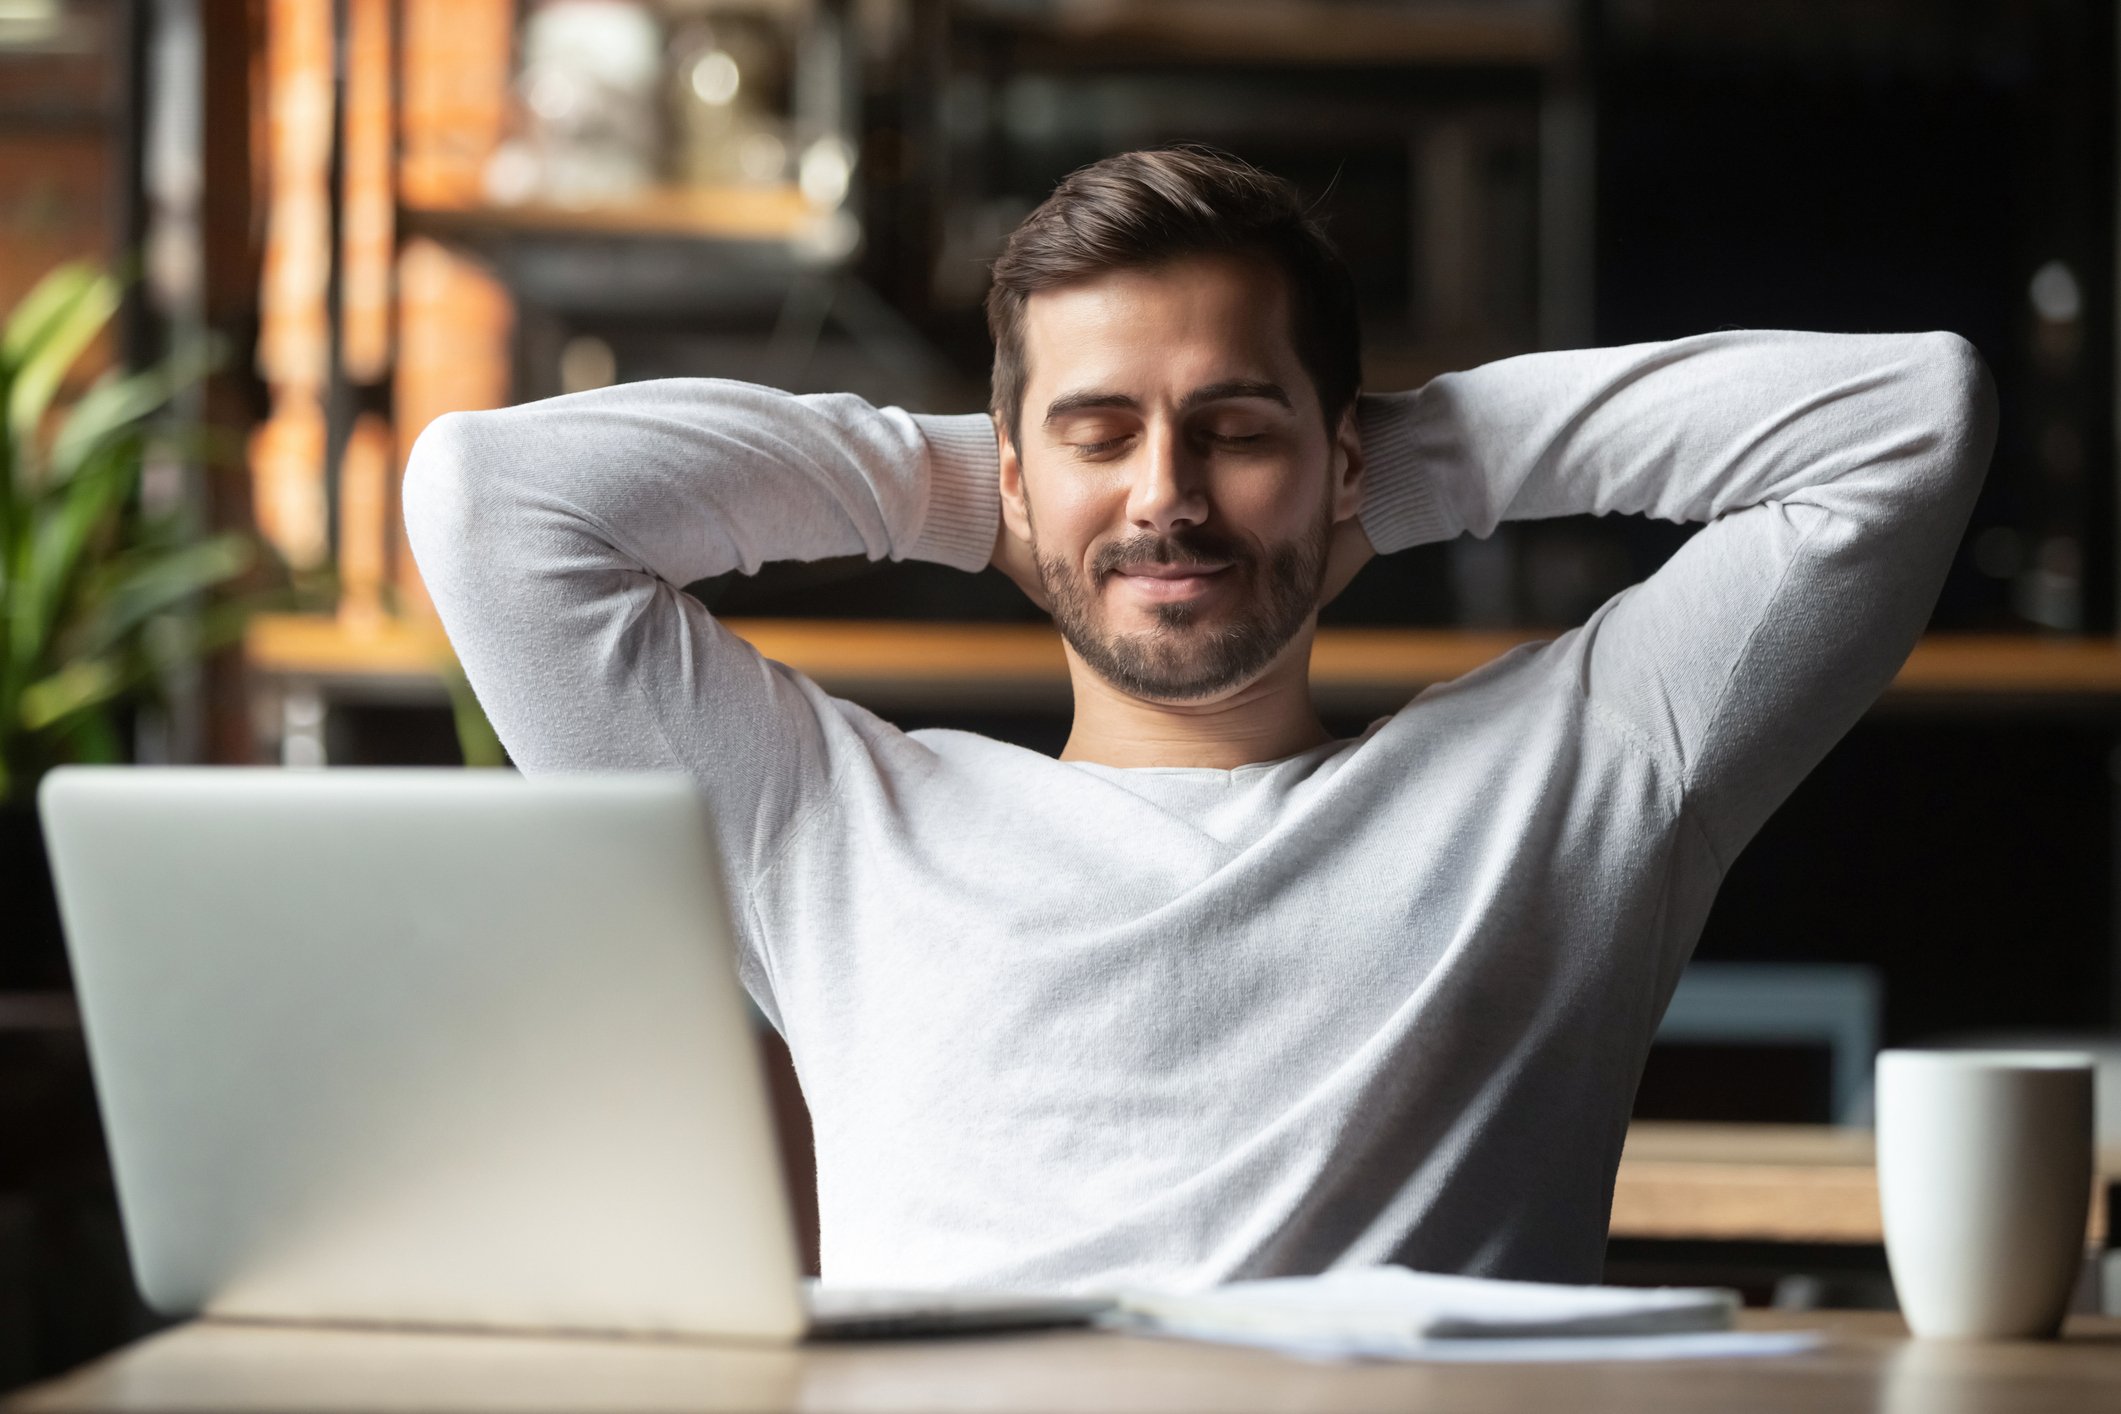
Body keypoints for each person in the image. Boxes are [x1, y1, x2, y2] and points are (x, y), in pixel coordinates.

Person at [404, 147, 1994, 1293]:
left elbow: (1905, 425)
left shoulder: (1579, 775)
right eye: (1102, 432)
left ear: (1343, 461)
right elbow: (493, 506)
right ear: (1013, 474)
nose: (1164, 495)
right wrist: (973, 484)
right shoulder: (820, 824)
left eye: (1232, 431)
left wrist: (1396, 456)